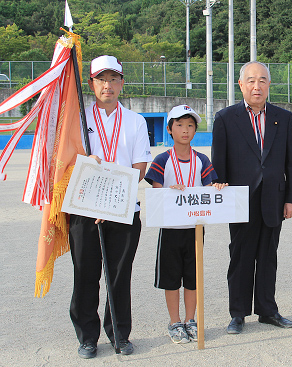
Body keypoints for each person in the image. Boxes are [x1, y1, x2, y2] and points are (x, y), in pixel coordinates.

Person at [70, 55, 152, 358]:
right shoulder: (77, 118)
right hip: (84, 212)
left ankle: (119, 334)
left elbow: (139, 166)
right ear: (91, 84)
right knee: (85, 274)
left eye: (114, 79)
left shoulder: (135, 121)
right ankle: (87, 336)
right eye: (101, 79)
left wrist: (110, 199)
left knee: (119, 275)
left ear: (121, 83)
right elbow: (65, 164)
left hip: (123, 209)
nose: (108, 85)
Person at [211, 61, 292, 334]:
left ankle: (267, 310)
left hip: (273, 199)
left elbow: (290, 162)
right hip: (239, 200)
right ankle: (237, 314)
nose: (256, 85)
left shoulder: (283, 118)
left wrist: (291, 198)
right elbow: (219, 163)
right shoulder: (226, 118)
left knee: (267, 257)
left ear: (269, 84)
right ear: (241, 85)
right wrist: (221, 192)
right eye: (251, 80)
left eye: (262, 80)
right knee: (240, 257)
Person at [144, 105, 226, 344]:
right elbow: (156, 190)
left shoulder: (202, 160)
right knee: (171, 280)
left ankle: (191, 320)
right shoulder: (162, 159)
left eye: (190, 125)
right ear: (169, 129)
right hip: (170, 231)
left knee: (193, 278)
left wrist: (217, 187)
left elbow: (210, 187)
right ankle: (174, 322)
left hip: (196, 230)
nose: (185, 130)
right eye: (179, 125)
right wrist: (170, 191)